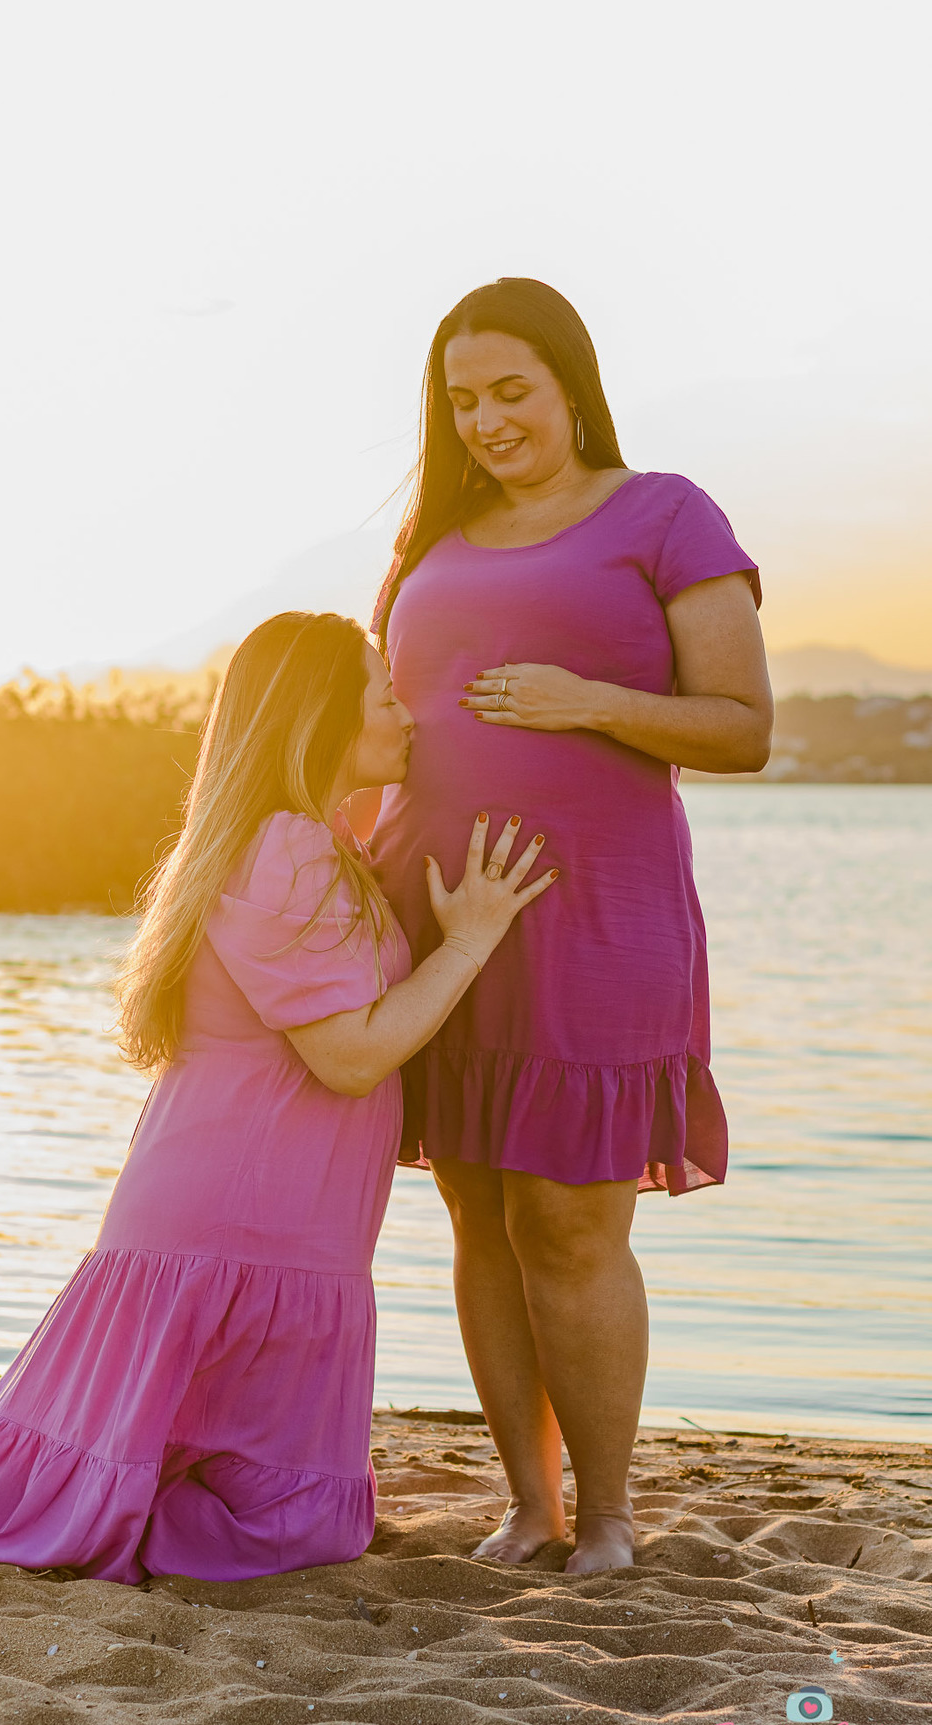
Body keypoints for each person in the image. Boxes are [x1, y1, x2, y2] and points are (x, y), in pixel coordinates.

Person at [0, 610, 558, 1584]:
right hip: (232, 1228)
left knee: (300, 1520)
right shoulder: (287, 851)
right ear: (318, 719)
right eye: (385, 694)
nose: (407, 715)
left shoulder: (314, 843)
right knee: (286, 1528)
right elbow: (351, 1056)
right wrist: (471, 942)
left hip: (274, 1239)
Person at [367, 277, 773, 1575]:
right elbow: (387, 724)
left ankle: (606, 1519)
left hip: (597, 916)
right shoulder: (435, 538)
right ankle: (531, 1508)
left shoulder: (666, 514)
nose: (487, 420)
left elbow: (743, 730)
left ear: (571, 386)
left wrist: (586, 699)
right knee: (479, 1212)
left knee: (569, 1220)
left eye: (511, 391)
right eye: (462, 400)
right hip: (440, 914)